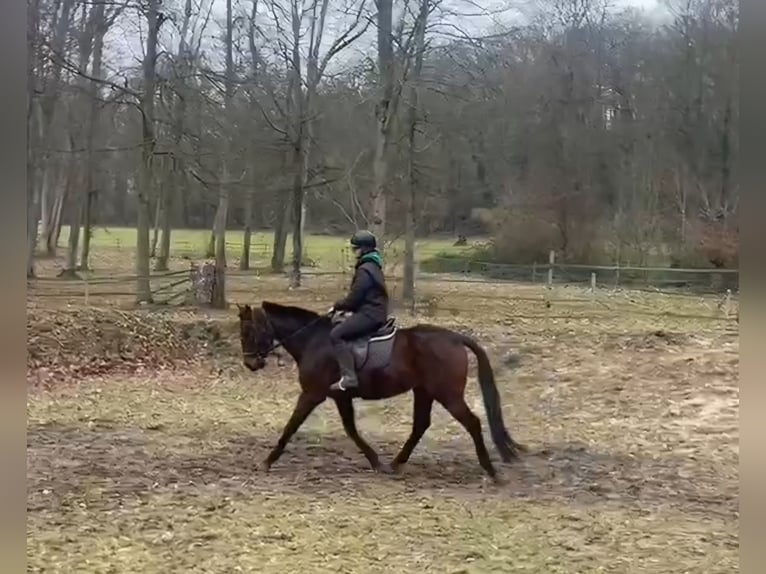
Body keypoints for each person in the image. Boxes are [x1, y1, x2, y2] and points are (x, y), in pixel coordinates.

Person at [328, 230, 389, 391]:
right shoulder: (373, 266)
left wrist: (337, 306)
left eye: (355, 249)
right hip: (373, 311)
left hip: (370, 314)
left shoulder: (365, 269)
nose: (354, 252)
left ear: (364, 249)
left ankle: (349, 377)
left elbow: (355, 298)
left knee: (336, 334)